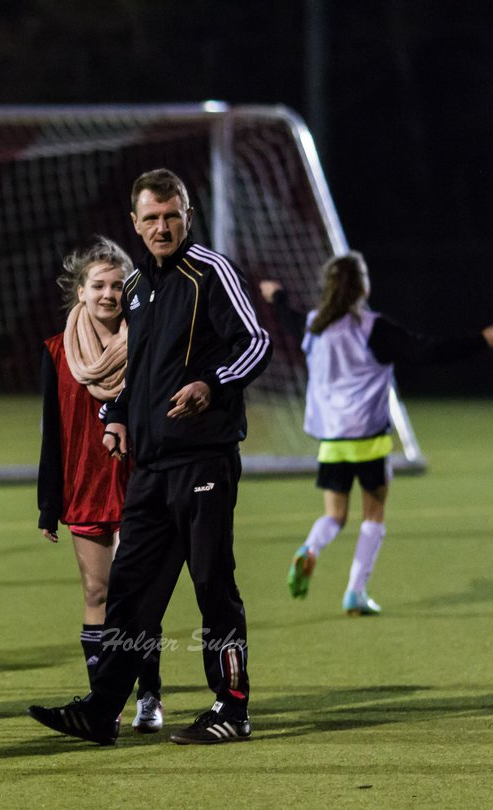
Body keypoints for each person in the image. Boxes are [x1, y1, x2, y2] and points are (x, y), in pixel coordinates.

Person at [29, 168, 272, 746]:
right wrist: (117, 418)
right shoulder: (137, 287)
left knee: (213, 584)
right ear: (135, 223)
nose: (162, 226)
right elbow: (140, 370)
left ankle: (231, 708)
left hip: (203, 460)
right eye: (151, 218)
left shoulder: (209, 272)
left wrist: (211, 384)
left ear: (188, 215)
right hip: (150, 468)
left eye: (172, 215)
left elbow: (255, 342)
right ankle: (104, 708)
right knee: (131, 589)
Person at [260, 256, 493, 614]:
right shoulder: (374, 328)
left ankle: (310, 549)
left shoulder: (313, 327)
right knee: (373, 515)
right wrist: (482, 339)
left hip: (331, 440)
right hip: (368, 439)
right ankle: (355, 592)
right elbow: (428, 351)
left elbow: (289, 318)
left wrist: (276, 296)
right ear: (363, 287)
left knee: (334, 516)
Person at [35, 237, 164, 734]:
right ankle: (101, 702)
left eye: (116, 285)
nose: (108, 294)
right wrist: (49, 505)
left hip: (140, 482)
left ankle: (148, 694)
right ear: (81, 292)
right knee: (96, 590)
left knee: (138, 597)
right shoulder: (55, 351)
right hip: (84, 483)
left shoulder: (149, 339)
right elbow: (52, 431)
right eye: (98, 285)